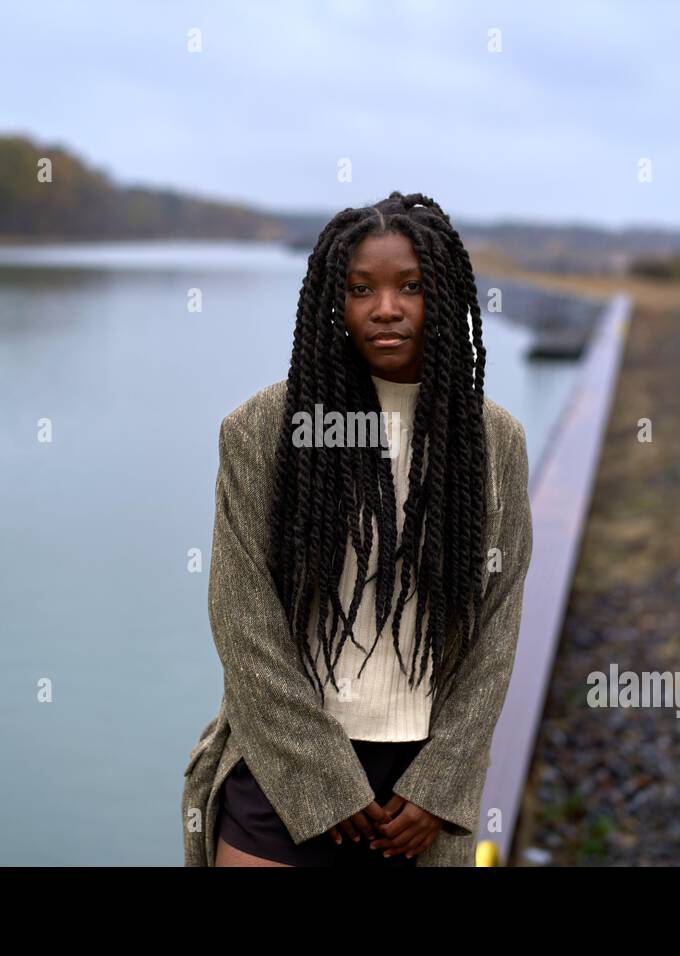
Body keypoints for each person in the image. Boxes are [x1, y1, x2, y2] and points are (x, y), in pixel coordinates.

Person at [182, 190, 533, 867]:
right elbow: (240, 616)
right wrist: (322, 781)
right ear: (332, 303)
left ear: (446, 296)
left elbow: (498, 623)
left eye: (411, 286)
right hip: (282, 768)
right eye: (361, 289)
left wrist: (439, 788)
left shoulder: (494, 441)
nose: (387, 308)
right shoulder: (262, 431)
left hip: (418, 794)